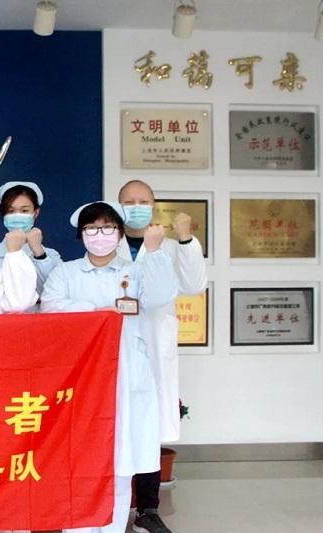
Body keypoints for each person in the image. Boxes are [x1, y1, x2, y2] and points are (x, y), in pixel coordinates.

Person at [41, 201, 177, 533]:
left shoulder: (136, 271)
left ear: (119, 232)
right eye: (92, 228)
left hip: (127, 375)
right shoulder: (66, 273)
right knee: (80, 459)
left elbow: (161, 296)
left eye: (107, 228)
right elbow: (50, 307)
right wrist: (97, 312)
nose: (99, 235)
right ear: (81, 234)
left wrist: (154, 252)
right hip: (81, 377)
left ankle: (114, 527)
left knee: (121, 462)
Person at [117, 180, 207, 533]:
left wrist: (185, 240)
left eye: (143, 201)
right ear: (118, 205)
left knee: (149, 429)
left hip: (154, 344)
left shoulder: (170, 247)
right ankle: (113, 505)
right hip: (117, 344)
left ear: (153, 206)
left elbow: (194, 285)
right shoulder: (108, 244)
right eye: (129, 201)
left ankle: (148, 509)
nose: (136, 206)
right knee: (116, 423)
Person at [0, 181, 62, 302]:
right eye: (11, 211)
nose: (17, 216)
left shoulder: (51, 255)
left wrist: (39, 253)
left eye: (24, 211)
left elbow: (54, 293)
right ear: (4, 214)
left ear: (36, 213)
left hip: (39, 314)